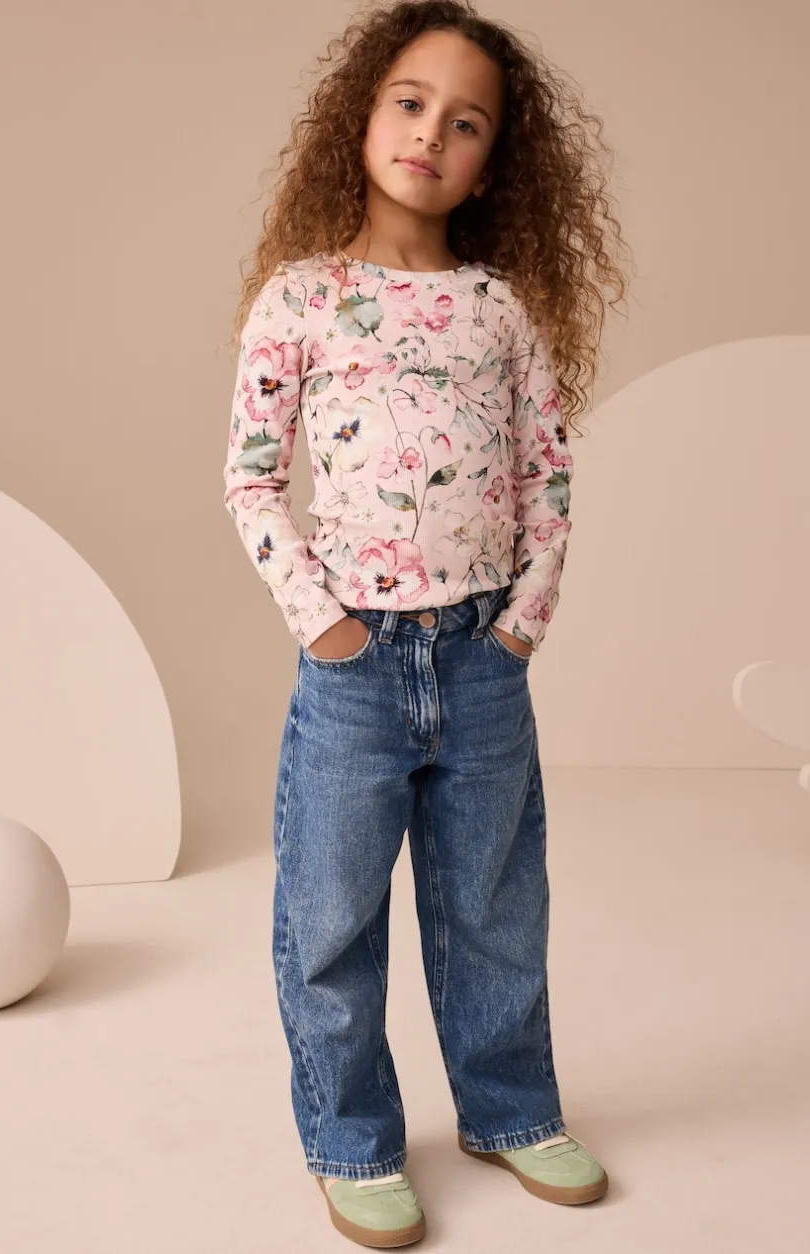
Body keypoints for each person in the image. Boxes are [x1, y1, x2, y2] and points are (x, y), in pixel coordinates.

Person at [222, 1, 630, 1245]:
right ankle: (350, 1140)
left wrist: (519, 630)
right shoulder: (301, 297)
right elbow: (251, 479)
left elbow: (547, 484)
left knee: (495, 906)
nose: (430, 134)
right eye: (409, 103)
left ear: (492, 164)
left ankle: (510, 1112)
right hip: (354, 667)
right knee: (331, 916)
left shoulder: (501, 308)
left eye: (465, 122)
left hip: (482, 660)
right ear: (360, 118)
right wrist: (326, 627)